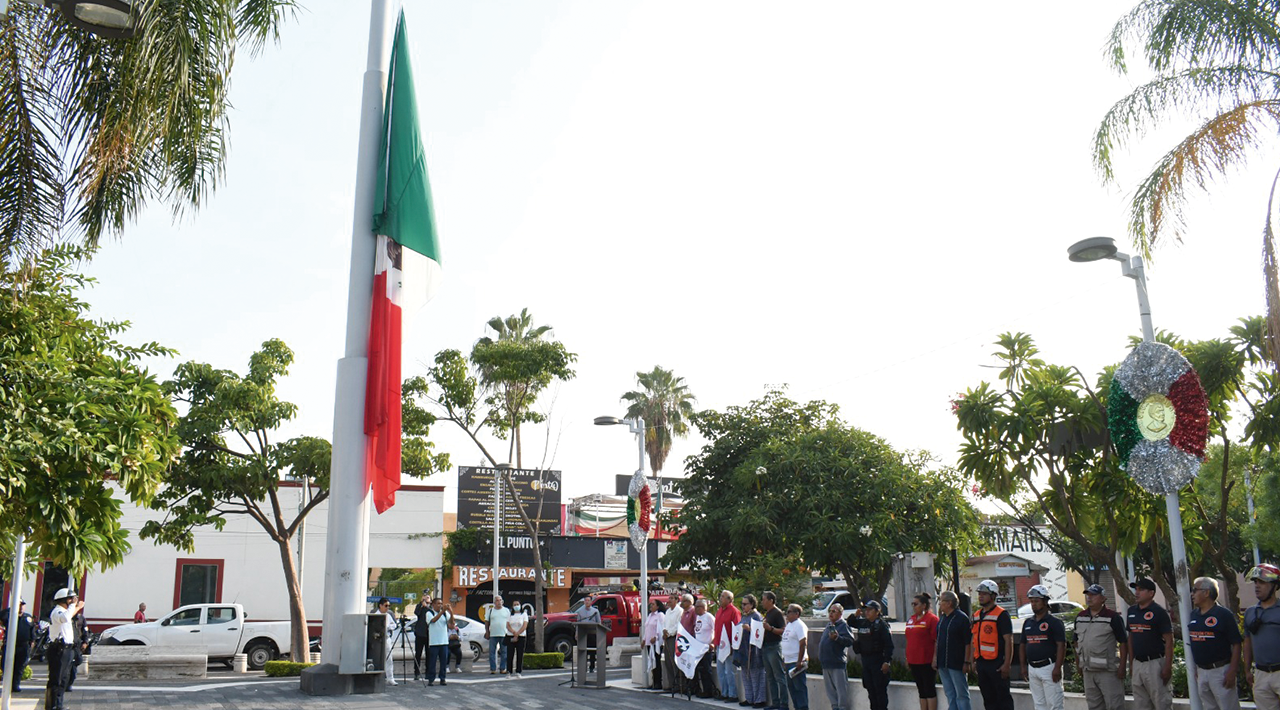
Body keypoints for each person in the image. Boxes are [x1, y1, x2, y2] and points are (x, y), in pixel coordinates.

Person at [1189, 577, 1242, 710]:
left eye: (1195, 590)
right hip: (1202, 671)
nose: (1192, 594)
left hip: (1220, 671)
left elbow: (1236, 643)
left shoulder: (1224, 614)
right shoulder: (1193, 615)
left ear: (1207, 593)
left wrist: (1232, 670)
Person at [1074, 583, 1128, 710]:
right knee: (1094, 706)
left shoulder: (1113, 617)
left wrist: (1122, 666)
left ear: (1103, 598)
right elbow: (1076, 642)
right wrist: (1079, 665)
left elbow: (1123, 643)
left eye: (1093, 595)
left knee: (1114, 705)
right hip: (1088, 671)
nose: (1089, 598)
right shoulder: (1081, 617)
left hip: (1108, 671)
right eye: (1088, 595)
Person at [1126, 578, 1174, 710]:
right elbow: (1130, 637)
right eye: (1136, 589)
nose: (1137, 592)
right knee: (1141, 703)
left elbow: (1169, 640)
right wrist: (1131, 662)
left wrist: (1167, 666)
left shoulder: (1159, 612)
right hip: (1137, 664)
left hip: (1155, 663)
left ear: (1151, 593)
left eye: (1141, 589)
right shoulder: (1131, 611)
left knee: (1161, 702)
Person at [1020, 585, 1066, 710]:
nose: (1033, 604)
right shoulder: (1028, 622)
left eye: (1036, 601)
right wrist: (1023, 666)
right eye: (1031, 601)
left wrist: (1057, 668)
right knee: (1039, 705)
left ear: (1045, 601)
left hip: (1049, 667)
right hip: (1032, 668)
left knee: (1054, 705)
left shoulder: (1055, 622)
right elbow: (1023, 644)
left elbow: (1061, 645)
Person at [971, 579, 1013, 710]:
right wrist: (973, 660)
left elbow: (1008, 640)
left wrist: (1006, 664)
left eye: (984, 593)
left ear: (993, 596)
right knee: (988, 699)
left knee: (1003, 699)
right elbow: (974, 639)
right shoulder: (977, 615)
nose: (981, 596)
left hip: (997, 663)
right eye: (979, 594)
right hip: (982, 662)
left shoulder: (1001, 614)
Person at [1244, 564, 1280, 710]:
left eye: (1262, 582)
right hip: (1260, 674)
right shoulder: (1250, 612)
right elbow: (1247, 642)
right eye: (1256, 582)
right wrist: (1247, 670)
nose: (1257, 586)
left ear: (1274, 585)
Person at [932, 591, 972, 710]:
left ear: (949, 603)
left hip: (956, 663)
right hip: (943, 662)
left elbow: (968, 642)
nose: (940, 604)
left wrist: (967, 662)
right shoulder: (943, 618)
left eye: (942, 601)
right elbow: (938, 639)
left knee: (961, 694)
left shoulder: (961, 618)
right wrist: (935, 658)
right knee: (950, 693)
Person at [45, 587, 82, 710]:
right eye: (71, 599)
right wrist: (73, 605)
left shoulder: (65, 612)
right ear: (64, 600)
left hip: (67, 649)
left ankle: (58, 705)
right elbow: (65, 618)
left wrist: (75, 607)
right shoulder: (57, 612)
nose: (73, 601)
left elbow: (69, 616)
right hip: (58, 649)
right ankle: (52, 705)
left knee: (63, 679)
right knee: (56, 679)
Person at [853, 600, 894, 710]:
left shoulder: (882, 625)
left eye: (870, 609)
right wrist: (855, 615)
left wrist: (887, 661)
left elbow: (889, 645)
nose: (867, 612)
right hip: (866, 660)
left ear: (877, 611)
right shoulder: (863, 623)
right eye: (866, 609)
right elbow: (851, 622)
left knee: (879, 691)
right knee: (870, 690)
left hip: (878, 660)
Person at [906, 592, 940, 710]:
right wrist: (908, 658)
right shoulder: (911, 619)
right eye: (912, 604)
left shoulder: (932, 619)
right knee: (921, 690)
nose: (914, 606)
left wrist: (935, 658)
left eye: (916, 604)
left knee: (929, 689)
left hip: (926, 660)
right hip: (913, 660)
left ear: (924, 605)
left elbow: (937, 640)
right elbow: (909, 640)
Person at [819, 603, 854, 710]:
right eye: (830, 611)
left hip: (837, 663)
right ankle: (835, 707)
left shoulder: (843, 625)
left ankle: (842, 708)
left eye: (834, 611)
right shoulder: (829, 625)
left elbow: (850, 641)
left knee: (840, 690)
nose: (831, 613)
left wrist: (837, 638)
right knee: (830, 691)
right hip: (826, 663)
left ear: (840, 613)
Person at [760, 591, 788, 710]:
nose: (762, 602)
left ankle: (784, 704)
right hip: (766, 647)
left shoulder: (777, 613)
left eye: (764, 599)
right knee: (770, 677)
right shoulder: (768, 613)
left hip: (774, 646)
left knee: (779, 676)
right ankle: (775, 703)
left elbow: (783, 630)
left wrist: (770, 629)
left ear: (771, 600)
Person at [738, 594, 766, 708]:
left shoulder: (757, 616)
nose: (743, 606)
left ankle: (759, 699)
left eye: (745, 604)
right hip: (744, 649)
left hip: (754, 651)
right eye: (742, 604)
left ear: (752, 604)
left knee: (756, 675)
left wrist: (749, 629)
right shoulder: (744, 616)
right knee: (746, 675)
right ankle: (749, 698)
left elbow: (760, 633)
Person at [779, 603, 809, 710]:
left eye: (789, 612)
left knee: (799, 689)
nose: (786, 614)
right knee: (792, 689)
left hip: (796, 662)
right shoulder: (789, 625)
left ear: (797, 614)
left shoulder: (800, 625)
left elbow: (803, 643)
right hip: (788, 662)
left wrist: (799, 661)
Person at [714, 590, 742, 702]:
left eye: (723, 597)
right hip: (719, 645)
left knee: (729, 671)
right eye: (720, 596)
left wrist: (733, 646)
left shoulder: (734, 611)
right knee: (720, 671)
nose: (720, 598)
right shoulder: (719, 610)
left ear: (729, 599)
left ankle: (733, 694)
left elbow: (737, 629)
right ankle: (724, 692)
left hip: (729, 646)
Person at [0, 600, 32, 693]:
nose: (21, 607)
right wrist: (12, 609)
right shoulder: (9, 615)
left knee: (20, 666)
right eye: (19, 605)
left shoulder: (28, 617)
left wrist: (32, 642)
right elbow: (2, 616)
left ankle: (15, 685)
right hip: (10, 644)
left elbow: (31, 630)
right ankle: (7, 684)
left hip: (23, 645)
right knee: (6, 665)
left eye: (22, 605)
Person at [426, 597, 454, 686]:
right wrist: (442, 612)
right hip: (434, 642)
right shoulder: (429, 613)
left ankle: (443, 678)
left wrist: (451, 612)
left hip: (444, 641)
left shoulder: (445, 614)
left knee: (443, 661)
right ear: (433, 605)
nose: (440, 605)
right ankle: (431, 679)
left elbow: (451, 625)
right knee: (432, 661)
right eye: (438, 603)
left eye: (441, 603)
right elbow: (433, 620)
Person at [694, 599, 718, 699]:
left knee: (707, 670)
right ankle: (702, 689)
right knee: (701, 670)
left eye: (697, 607)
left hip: (707, 648)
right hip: (698, 649)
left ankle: (709, 690)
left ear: (703, 608)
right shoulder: (698, 617)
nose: (695, 608)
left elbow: (716, 629)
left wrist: (712, 643)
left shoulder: (709, 617)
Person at [576, 594, 603, 674]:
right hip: (583, 633)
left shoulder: (595, 611)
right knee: (583, 651)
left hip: (593, 634)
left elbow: (599, 623)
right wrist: (577, 633)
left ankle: (592, 667)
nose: (587, 602)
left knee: (592, 652)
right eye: (585, 600)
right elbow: (578, 623)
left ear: (591, 602)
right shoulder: (580, 612)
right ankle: (583, 667)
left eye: (588, 600)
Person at [663, 593, 685, 692]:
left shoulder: (679, 611)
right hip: (666, 637)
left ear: (676, 600)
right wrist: (664, 631)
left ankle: (679, 684)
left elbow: (678, 625)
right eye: (669, 598)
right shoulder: (667, 611)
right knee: (668, 661)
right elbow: (665, 624)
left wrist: (670, 633)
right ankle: (672, 684)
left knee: (674, 661)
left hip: (674, 637)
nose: (670, 600)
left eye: (672, 598)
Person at [643, 598, 666, 690]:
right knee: (652, 661)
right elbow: (647, 628)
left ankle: (658, 682)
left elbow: (661, 628)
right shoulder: (649, 616)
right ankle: (653, 682)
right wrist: (644, 639)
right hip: (649, 642)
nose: (651, 606)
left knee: (656, 661)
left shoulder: (660, 615)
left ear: (658, 606)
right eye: (651, 604)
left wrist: (656, 638)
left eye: (653, 604)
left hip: (656, 643)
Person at [66, 601, 88, 692]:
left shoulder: (80, 618)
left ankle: (70, 682)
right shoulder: (67, 616)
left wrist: (85, 642)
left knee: (77, 662)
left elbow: (85, 630)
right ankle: (65, 684)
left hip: (77, 644)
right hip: (68, 644)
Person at [375, 597, 397, 686]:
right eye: (386, 606)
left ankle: (390, 678)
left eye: (389, 606)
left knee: (389, 658)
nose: (387, 608)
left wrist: (388, 627)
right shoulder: (376, 615)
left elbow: (394, 624)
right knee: (377, 657)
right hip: (377, 639)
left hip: (386, 638)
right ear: (380, 605)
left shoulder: (388, 615)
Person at [486, 595, 511, 675]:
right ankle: (493, 669)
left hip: (504, 634)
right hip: (493, 634)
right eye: (497, 600)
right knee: (491, 652)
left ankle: (502, 668)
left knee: (504, 652)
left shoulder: (506, 610)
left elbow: (509, 622)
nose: (499, 602)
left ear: (502, 601)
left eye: (500, 600)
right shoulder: (490, 611)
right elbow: (487, 622)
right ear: (494, 602)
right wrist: (487, 632)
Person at [412, 594, 431, 681]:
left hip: (429, 634)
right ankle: (416, 673)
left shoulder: (431, 608)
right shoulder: (420, 607)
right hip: (420, 634)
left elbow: (433, 614)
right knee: (418, 654)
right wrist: (421, 604)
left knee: (429, 654)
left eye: (428, 597)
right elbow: (416, 613)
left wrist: (426, 606)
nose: (426, 599)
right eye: (425, 597)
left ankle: (428, 673)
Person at [506, 604, 527, 678]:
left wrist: (518, 633)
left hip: (521, 636)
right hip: (510, 635)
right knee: (510, 654)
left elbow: (524, 625)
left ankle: (518, 671)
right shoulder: (510, 614)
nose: (516, 606)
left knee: (520, 654)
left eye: (517, 604)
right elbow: (507, 625)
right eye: (514, 604)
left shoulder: (524, 614)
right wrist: (513, 632)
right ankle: (509, 671)